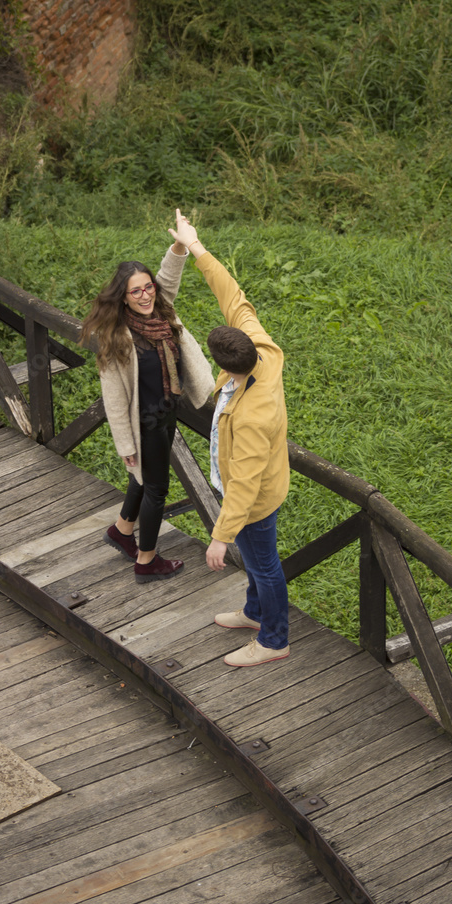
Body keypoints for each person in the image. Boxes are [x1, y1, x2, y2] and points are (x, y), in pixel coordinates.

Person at [168, 211, 291, 666]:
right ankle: (256, 613)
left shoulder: (253, 419)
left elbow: (244, 482)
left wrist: (221, 537)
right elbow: (233, 297)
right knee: (261, 562)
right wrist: (194, 246)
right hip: (250, 488)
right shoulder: (263, 350)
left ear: (225, 364)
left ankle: (274, 641)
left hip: (254, 499)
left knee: (264, 565)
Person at [81, 210, 214, 583]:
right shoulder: (118, 338)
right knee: (156, 488)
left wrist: (180, 243)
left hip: (167, 411)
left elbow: (169, 275)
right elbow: (114, 399)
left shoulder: (162, 311)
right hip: (145, 422)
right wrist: (125, 443)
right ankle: (147, 560)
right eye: (135, 291)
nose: (145, 295)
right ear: (123, 299)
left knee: (144, 478)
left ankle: (122, 530)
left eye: (148, 287)